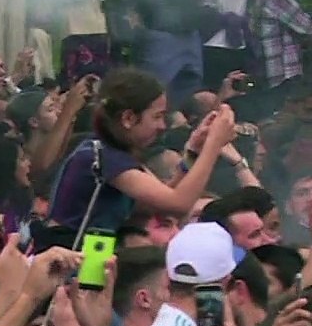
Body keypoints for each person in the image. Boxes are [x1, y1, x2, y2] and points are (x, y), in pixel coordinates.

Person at [39, 68, 236, 251]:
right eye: (157, 116)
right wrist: (213, 145)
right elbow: (178, 204)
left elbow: (159, 202)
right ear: (128, 118)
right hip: (67, 266)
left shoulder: (114, 152)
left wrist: (193, 153)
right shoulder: (103, 157)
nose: (162, 126)